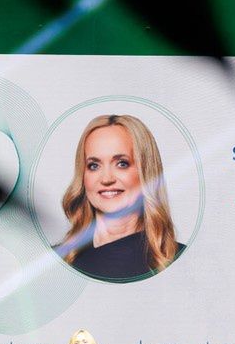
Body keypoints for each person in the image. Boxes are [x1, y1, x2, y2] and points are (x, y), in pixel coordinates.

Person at [56, 114, 184, 282]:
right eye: (94, 166)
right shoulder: (53, 261)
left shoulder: (183, 261)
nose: (106, 178)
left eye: (122, 164)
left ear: (146, 172)